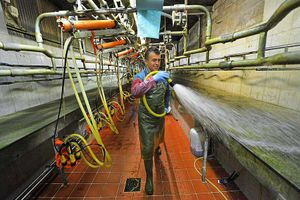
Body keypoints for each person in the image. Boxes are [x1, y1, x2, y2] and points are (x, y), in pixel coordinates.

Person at [131, 47, 170, 195]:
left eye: (159, 60)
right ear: (146, 61)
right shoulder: (140, 76)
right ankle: (149, 178)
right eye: (154, 60)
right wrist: (153, 79)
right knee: (147, 149)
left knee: (159, 136)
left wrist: (167, 105)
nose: (157, 63)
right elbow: (135, 92)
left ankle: (157, 146)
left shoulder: (163, 76)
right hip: (146, 118)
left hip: (159, 115)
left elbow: (167, 92)